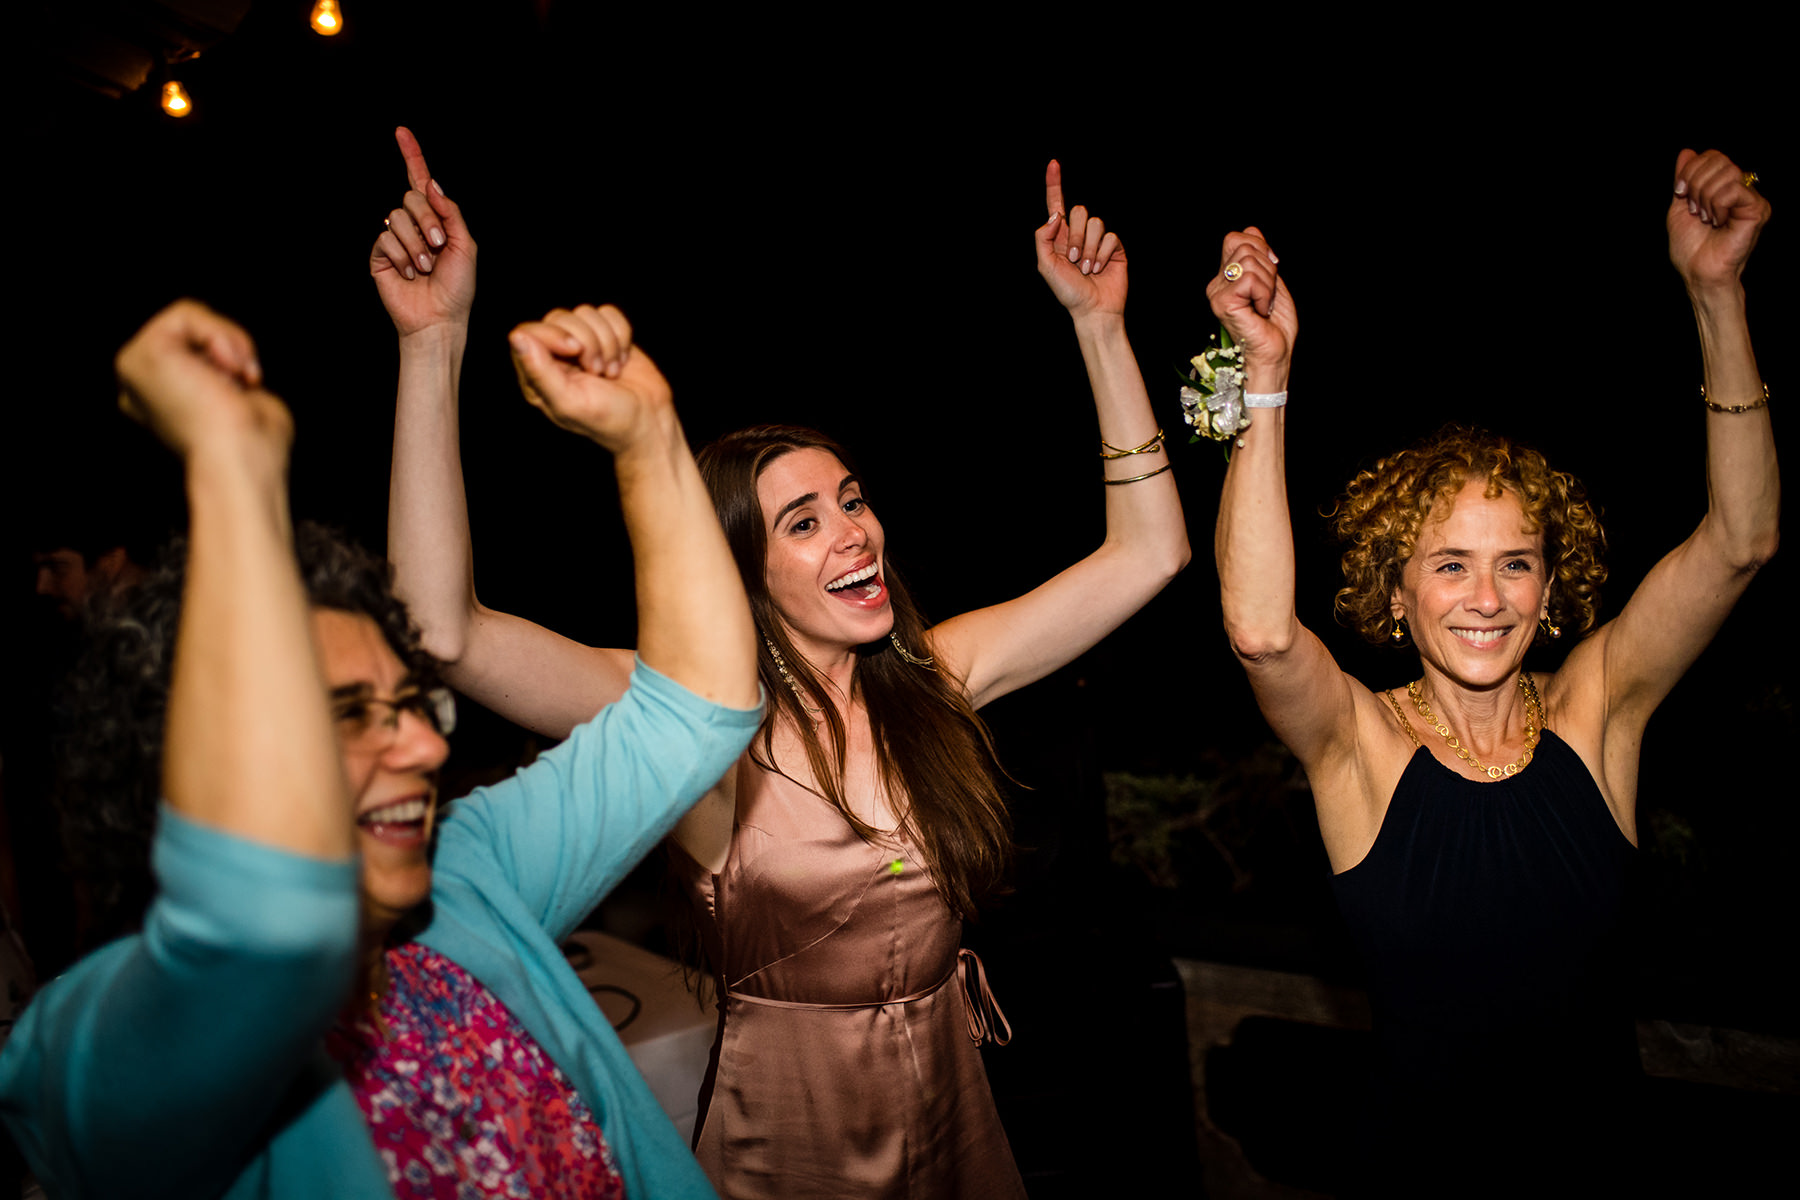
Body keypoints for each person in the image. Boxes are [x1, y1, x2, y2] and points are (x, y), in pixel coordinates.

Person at [375, 128, 1190, 1197]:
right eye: (802, 522)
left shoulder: (933, 675)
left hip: (960, 1127)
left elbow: (1150, 552)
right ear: (739, 573)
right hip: (790, 1152)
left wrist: (1100, 330)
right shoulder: (681, 726)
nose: (853, 532)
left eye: (853, 500)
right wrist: (431, 347)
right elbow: (444, 633)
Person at [0, 298, 761, 1198]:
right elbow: (267, 933)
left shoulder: (463, 875)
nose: (422, 746)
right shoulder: (91, 1048)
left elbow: (691, 717)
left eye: (409, 704)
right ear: (182, 767)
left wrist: (648, 439)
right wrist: (233, 467)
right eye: (350, 715)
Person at [1211, 149, 1777, 1193]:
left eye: (1516, 563)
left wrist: (1718, 295)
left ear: (1550, 588)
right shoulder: (1361, 744)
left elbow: (1739, 542)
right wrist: (1267, 377)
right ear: (1396, 594)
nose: (1488, 596)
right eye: (1451, 566)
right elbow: (1259, 629)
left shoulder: (1600, 710)